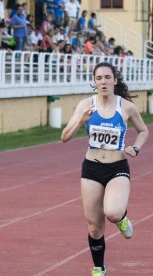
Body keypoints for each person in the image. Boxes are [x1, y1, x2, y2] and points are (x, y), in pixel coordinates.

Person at [61, 62, 149, 276]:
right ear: (94, 82)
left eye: (107, 77)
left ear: (115, 80)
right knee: (94, 228)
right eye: (99, 78)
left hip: (117, 167)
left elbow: (143, 131)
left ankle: (122, 218)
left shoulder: (126, 107)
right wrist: (81, 121)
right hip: (91, 169)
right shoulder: (85, 105)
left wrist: (136, 148)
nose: (103, 82)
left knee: (112, 212)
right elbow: (64, 137)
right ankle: (99, 268)